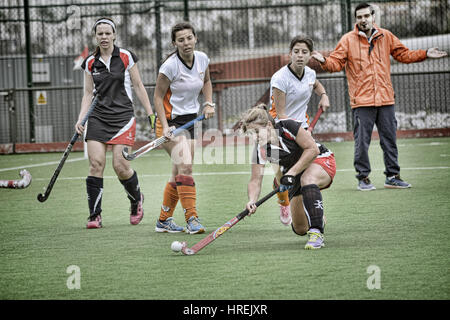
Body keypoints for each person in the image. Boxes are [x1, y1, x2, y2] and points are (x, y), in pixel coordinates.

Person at [311, 2, 447, 191]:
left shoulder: (386, 36)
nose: (363, 20)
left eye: (366, 16)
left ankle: (392, 176)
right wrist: (324, 61)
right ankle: (363, 178)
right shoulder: (347, 40)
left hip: (385, 99)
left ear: (373, 17)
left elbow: (404, 54)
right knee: (362, 142)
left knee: (389, 139)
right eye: (359, 17)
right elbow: (336, 63)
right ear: (356, 20)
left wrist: (425, 53)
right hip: (362, 102)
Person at [76, 17, 155, 229]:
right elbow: (87, 94)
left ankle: (136, 199)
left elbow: (138, 86)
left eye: (107, 33)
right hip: (98, 118)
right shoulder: (90, 62)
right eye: (99, 34)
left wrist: (151, 114)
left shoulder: (127, 57)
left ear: (114, 35)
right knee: (96, 164)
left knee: (120, 166)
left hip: (123, 118)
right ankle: (94, 216)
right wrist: (81, 118)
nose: (103, 37)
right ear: (95, 36)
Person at [240, 104, 336, 250]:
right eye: (251, 134)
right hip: (295, 174)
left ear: (268, 125)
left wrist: (291, 173)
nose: (255, 137)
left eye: (257, 132)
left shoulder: (287, 127)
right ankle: (316, 215)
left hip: (319, 160)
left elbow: (312, 149)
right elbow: (255, 180)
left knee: (307, 179)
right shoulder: (262, 150)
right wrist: (252, 200)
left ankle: (317, 233)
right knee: (300, 229)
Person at [153, 22, 215, 234]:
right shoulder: (170, 66)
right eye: (181, 40)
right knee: (186, 166)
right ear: (174, 43)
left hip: (192, 120)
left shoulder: (202, 59)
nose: (186, 43)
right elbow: (158, 97)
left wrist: (208, 102)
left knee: (179, 172)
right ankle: (192, 219)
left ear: (195, 38)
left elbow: (206, 81)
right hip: (169, 121)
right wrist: (164, 127)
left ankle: (163, 220)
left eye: (189, 38)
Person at [269, 35, 330, 226]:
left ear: (310, 55)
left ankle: (311, 208)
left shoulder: (310, 73)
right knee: (280, 171)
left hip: (302, 127)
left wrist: (324, 95)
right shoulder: (279, 78)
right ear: (290, 54)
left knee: (304, 171)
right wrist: (297, 133)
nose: (300, 56)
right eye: (296, 52)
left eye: (304, 52)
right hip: (280, 127)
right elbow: (281, 114)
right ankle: (283, 201)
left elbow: (316, 84)